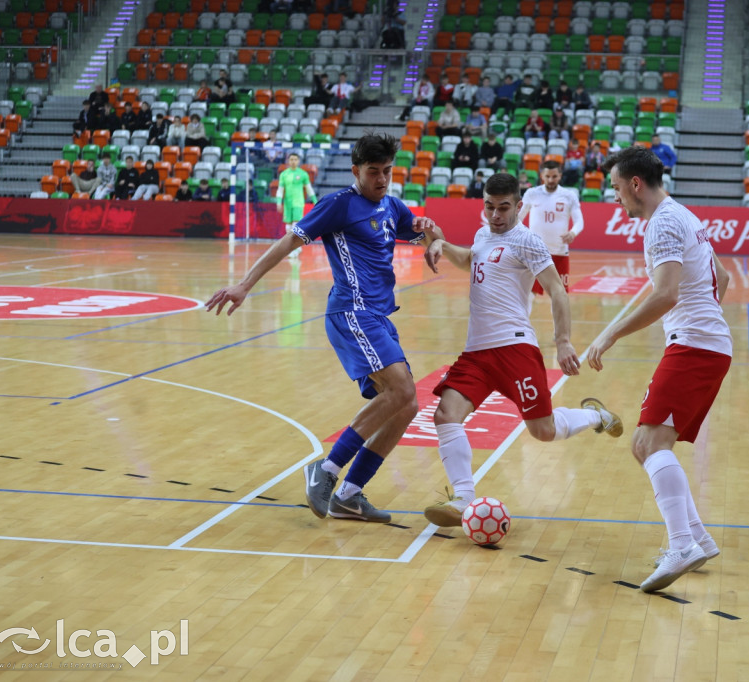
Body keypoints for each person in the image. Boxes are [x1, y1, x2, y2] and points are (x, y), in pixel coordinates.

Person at [205, 133, 438, 523]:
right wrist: (244, 284)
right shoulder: (338, 205)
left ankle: (349, 494)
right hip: (351, 312)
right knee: (401, 390)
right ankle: (326, 470)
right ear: (355, 171)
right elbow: (286, 243)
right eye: (373, 172)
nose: (382, 179)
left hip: (378, 316)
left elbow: (430, 235)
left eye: (387, 171)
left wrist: (433, 237)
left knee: (407, 404)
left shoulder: (392, 206)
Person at [419, 171, 623, 528]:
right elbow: (472, 261)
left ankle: (595, 417)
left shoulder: (527, 240)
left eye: (503, 208)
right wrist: (441, 244)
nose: (495, 216)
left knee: (542, 431)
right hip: (476, 353)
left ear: (518, 205)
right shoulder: (484, 233)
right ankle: (463, 499)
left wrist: (562, 342)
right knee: (445, 415)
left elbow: (557, 290)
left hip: (515, 348)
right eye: (489, 207)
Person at [587, 146, 732, 593]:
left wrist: (609, 334)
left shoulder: (662, 223)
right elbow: (721, 279)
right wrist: (701, 316)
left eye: (615, 188)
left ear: (635, 184)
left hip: (694, 346)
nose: (615, 198)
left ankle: (682, 544)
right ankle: (698, 540)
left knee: (649, 443)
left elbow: (666, 294)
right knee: (645, 443)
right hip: (702, 342)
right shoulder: (682, 215)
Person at [518, 158, 583, 301]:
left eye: (554, 176)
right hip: (534, 252)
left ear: (560, 176)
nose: (551, 180)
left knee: (559, 295)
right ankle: (522, 324)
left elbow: (579, 222)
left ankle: (560, 325)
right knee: (529, 294)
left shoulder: (569, 195)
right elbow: (518, 218)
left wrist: (573, 232)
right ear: (542, 176)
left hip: (559, 252)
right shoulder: (532, 193)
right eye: (547, 176)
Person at [276, 152, 317, 258]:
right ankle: (294, 247)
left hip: (298, 203)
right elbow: (280, 190)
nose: (293, 161)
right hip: (287, 204)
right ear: (288, 161)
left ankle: (294, 248)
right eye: (291, 159)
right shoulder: (284, 174)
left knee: (295, 225)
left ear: (298, 161)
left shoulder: (303, 174)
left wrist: (315, 201)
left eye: (295, 159)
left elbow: (309, 189)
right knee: (288, 227)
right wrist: (278, 202)